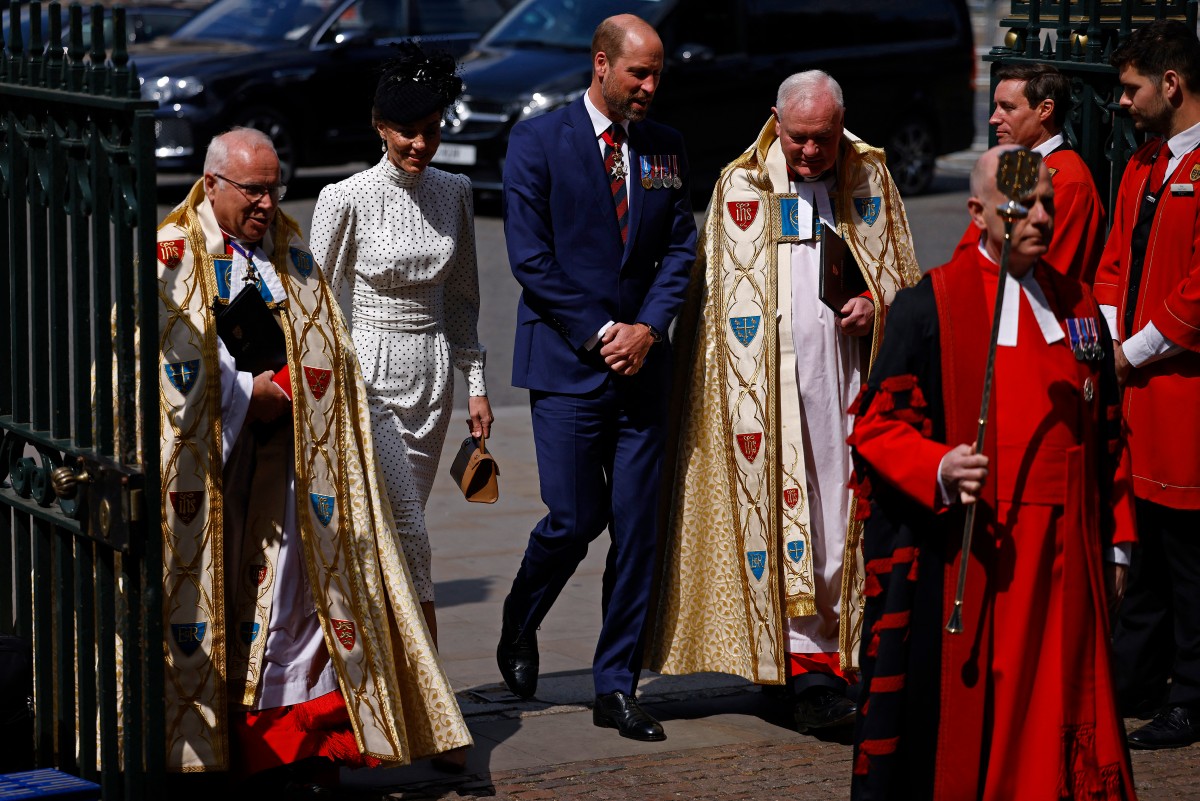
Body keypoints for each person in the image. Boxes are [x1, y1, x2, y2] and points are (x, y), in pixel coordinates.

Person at [157, 128, 470, 786]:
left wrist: (300, 381)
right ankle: (216, 750)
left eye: (275, 189)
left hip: (293, 473)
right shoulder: (173, 252)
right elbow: (168, 354)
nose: (267, 204)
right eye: (253, 190)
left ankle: (300, 746)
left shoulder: (289, 248)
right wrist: (247, 395)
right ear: (210, 184)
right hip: (218, 474)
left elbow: (328, 335)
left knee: (298, 611)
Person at [848, 145, 1136, 800]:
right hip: (980, 554)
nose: (1041, 218)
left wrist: (1118, 538)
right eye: (1021, 206)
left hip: (1070, 556)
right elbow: (875, 427)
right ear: (978, 212)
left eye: (1047, 204)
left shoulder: (1078, 305)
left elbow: (1109, 432)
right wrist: (939, 465)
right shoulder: (930, 306)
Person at [648, 70, 920, 734]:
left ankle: (846, 651)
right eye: (798, 138)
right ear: (776, 120)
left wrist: (875, 306)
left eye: (822, 138)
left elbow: (902, 282)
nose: (809, 152)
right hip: (768, 399)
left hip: (849, 381)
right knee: (785, 521)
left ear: (841, 123)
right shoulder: (742, 185)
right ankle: (801, 666)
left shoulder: (869, 177)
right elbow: (713, 307)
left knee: (838, 516)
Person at [496, 13, 697, 742]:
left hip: (643, 369)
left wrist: (649, 327)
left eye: (657, 75)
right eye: (639, 73)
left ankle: (615, 685)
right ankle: (521, 614)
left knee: (638, 530)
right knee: (576, 520)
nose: (649, 87)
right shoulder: (537, 140)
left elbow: (680, 247)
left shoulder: (664, 147)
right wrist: (604, 331)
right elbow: (531, 258)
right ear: (602, 64)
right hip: (568, 365)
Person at [309, 42, 492, 650]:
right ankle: (428, 676)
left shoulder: (455, 191)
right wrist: (324, 389)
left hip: (434, 380)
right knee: (410, 532)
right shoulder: (345, 197)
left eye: (431, 131)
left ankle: (379, 670)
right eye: (406, 132)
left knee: (390, 528)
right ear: (379, 126)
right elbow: (318, 304)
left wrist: (476, 387)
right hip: (369, 378)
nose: (419, 144)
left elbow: (463, 298)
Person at [1096, 18, 1200, 749]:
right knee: (1149, 547)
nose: (1123, 101)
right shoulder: (1143, 163)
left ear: (1171, 83)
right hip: (1136, 385)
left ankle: (1190, 697)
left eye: (1132, 88)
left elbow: (1196, 293)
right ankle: (1132, 679)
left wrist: (1129, 353)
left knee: (1189, 558)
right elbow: (1114, 263)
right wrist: (1106, 345)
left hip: (1181, 390)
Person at [953, 63, 1106, 283]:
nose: (994, 118)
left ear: (1045, 109)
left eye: (1007, 107)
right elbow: (970, 247)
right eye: (996, 107)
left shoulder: (1069, 181)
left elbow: (1044, 275)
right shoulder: (1019, 166)